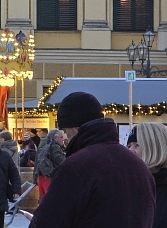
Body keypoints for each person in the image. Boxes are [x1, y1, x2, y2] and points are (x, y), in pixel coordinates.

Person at [30, 91, 155, 228]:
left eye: (65, 132)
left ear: (74, 128)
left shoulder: (76, 167)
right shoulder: (140, 167)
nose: (66, 138)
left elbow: (46, 222)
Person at [128, 123, 167, 228]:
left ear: (156, 147)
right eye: (129, 146)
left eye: (137, 145)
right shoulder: (130, 187)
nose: (130, 151)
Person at [34, 128, 65, 197]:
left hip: (41, 177)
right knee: (52, 199)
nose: (63, 139)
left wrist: (35, 179)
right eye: (61, 137)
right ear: (55, 138)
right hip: (49, 178)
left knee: (43, 200)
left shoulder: (43, 145)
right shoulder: (55, 146)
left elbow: (36, 163)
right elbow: (60, 160)